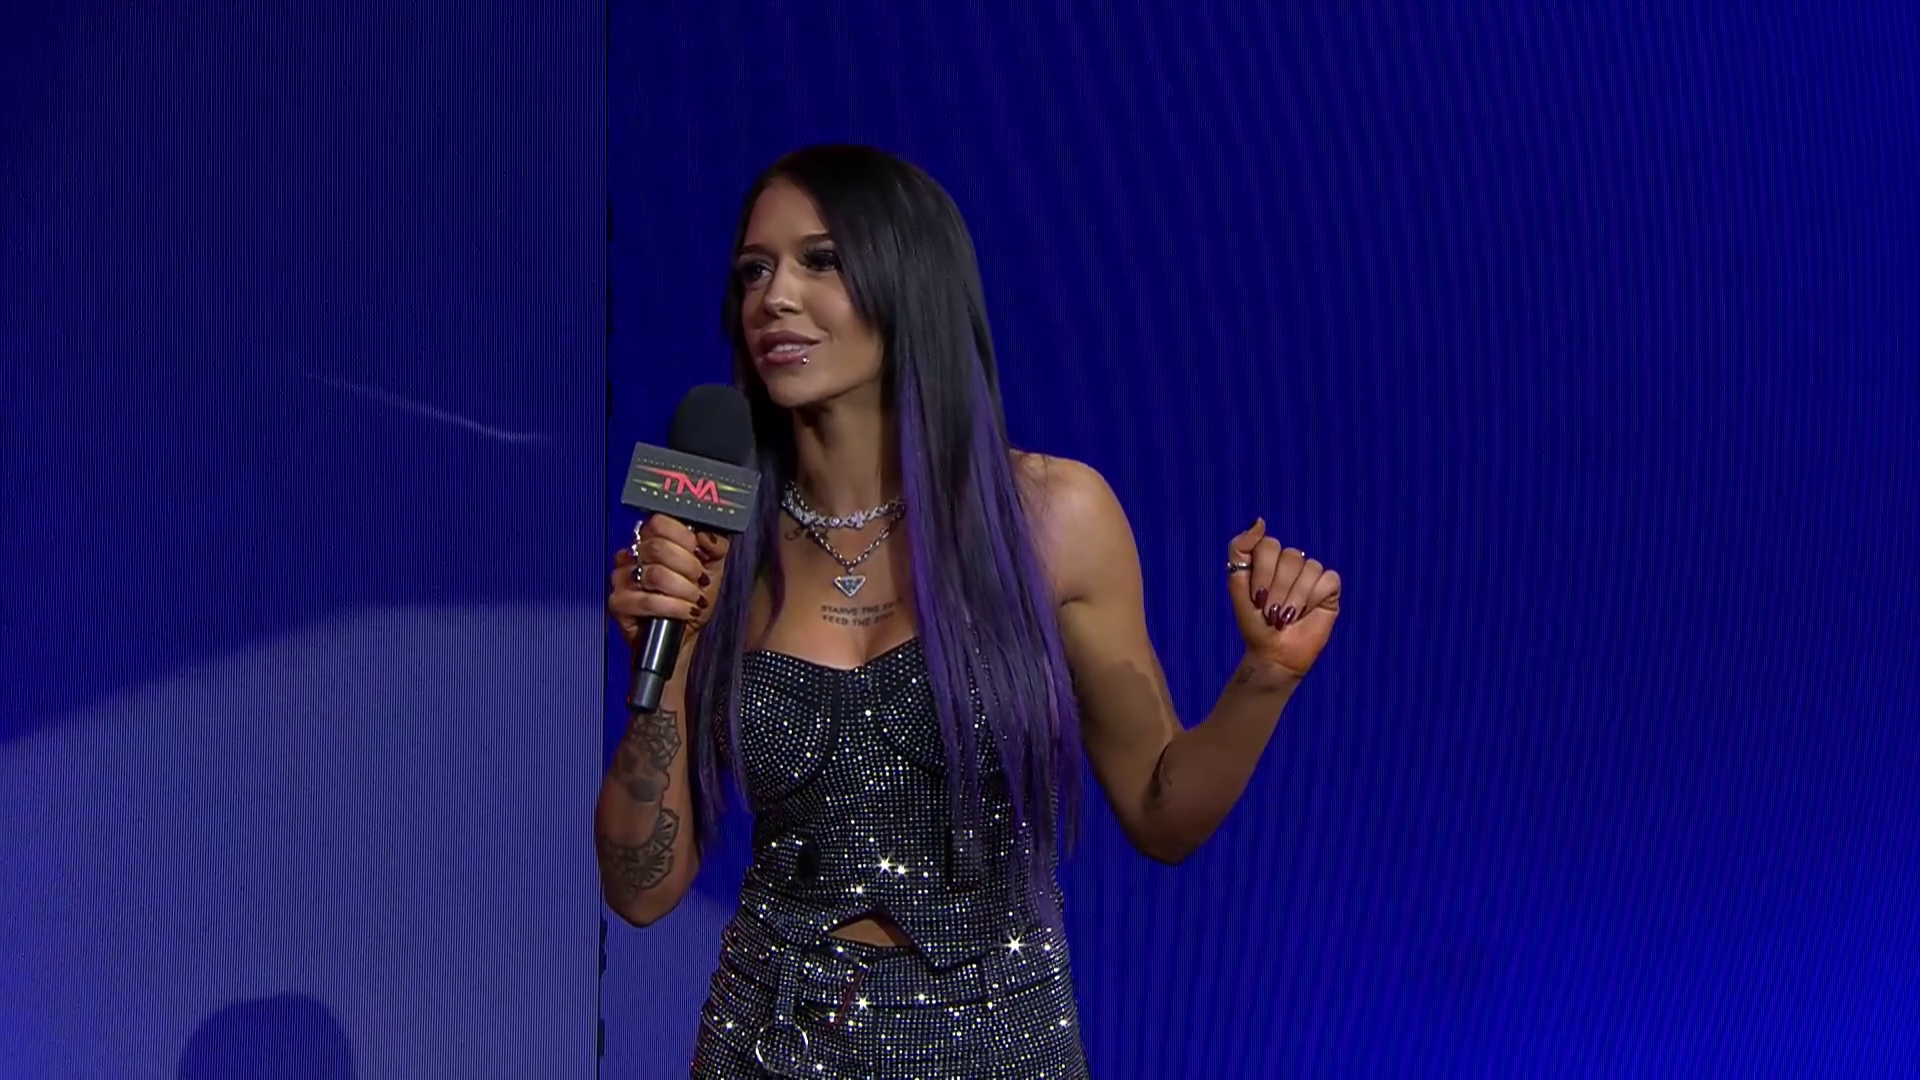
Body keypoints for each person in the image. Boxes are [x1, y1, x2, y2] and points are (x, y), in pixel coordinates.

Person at [596, 145, 1342, 1079]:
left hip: (998, 1045)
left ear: (911, 279)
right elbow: (639, 891)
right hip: (767, 1043)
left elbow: (1163, 816)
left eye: (821, 261)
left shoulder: (1052, 518)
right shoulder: (720, 543)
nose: (774, 298)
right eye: (754, 270)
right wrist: (664, 661)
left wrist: (1265, 676)